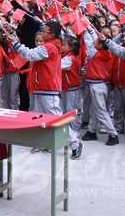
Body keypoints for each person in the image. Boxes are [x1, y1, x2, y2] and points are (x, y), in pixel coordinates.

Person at [7, 20, 83, 159]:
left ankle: (74, 143)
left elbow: (30, 55)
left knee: (57, 118)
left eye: (44, 31)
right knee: (41, 118)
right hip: (41, 86)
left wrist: (16, 44)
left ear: (52, 35)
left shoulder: (49, 47)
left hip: (48, 87)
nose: (42, 33)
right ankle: (45, 142)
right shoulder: (51, 45)